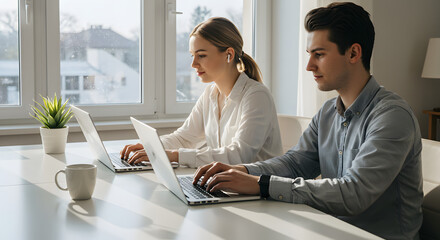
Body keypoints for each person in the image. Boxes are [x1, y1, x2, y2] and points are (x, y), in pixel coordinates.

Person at [192, 3, 423, 240]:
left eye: (319, 55)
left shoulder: (392, 116)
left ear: (354, 53)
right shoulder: (327, 113)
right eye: (309, 54)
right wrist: (241, 171)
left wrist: (260, 184)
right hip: (330, 230)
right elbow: (295, 164)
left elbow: (354, 193)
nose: (309, 66)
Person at [120, 17, 282, 168]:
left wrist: (175, 156)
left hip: (259, 192)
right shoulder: (211, 94)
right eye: (192, 55)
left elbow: (238, 156)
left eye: (201, 55)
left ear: (229, 54)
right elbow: (184, 138)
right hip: (224, 185)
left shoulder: (256, 96)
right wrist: (149, 146)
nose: (193, 64)